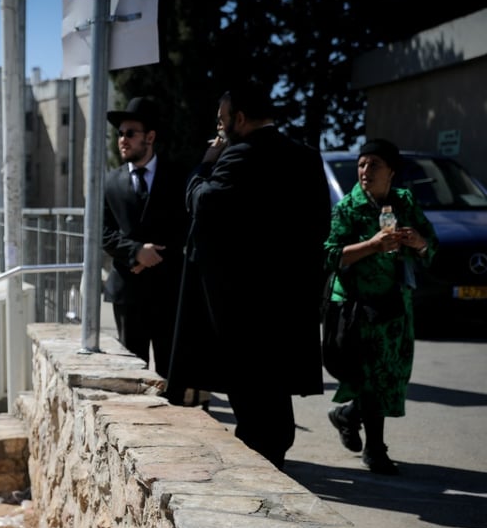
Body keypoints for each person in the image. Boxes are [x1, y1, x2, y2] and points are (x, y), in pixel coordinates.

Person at [171, 84, 331, 469]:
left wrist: (204, 164)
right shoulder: (305, 157)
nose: (220, 128)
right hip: (289, 301)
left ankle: (264, 469)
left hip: (244, 307)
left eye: (222, 121)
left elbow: (203, 203)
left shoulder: (240, 156)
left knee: (254, 403)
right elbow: (320, 225)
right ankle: (274, 456)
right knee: (274, 395)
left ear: (239, 119)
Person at [324, 139, 436, 475]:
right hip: (358, 306)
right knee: (370, 377)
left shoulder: (404, 202)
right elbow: (331, 256)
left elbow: (431, 247)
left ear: (391, 172)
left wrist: (418, 242)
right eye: (362, 164)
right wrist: (372, 245)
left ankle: (347, 415)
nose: (365, 171)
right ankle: (375, 449)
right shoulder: (347, 208)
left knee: (391, 376)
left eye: (374, 165)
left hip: (394, 304)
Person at [101, 96, 189, 378]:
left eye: (130, 133)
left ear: (149, 137)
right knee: (132, 373)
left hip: (168, 289)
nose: (122, 140)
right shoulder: (109, 181)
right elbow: (101, 232)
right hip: (128, 290)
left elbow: (186, 226)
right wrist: (136, 252)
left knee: (170, 373)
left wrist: (154, 256)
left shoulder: (178, 177)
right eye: (120, 134)